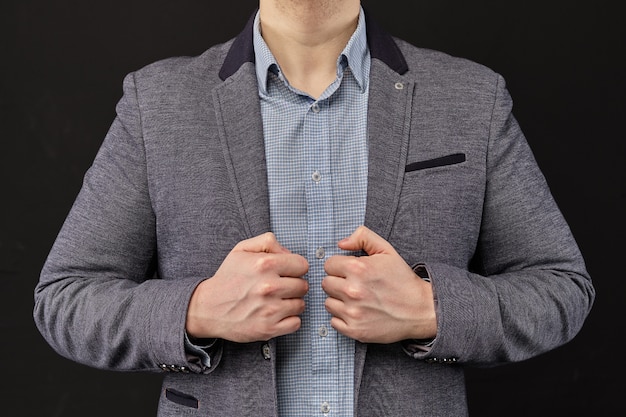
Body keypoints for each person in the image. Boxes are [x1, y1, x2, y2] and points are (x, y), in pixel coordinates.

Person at [33, 0, 595, 416]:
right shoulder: (157, 104)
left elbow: (561, 288)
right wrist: (198, 310)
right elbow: (66, 298)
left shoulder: (471, 97)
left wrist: (430, 309)